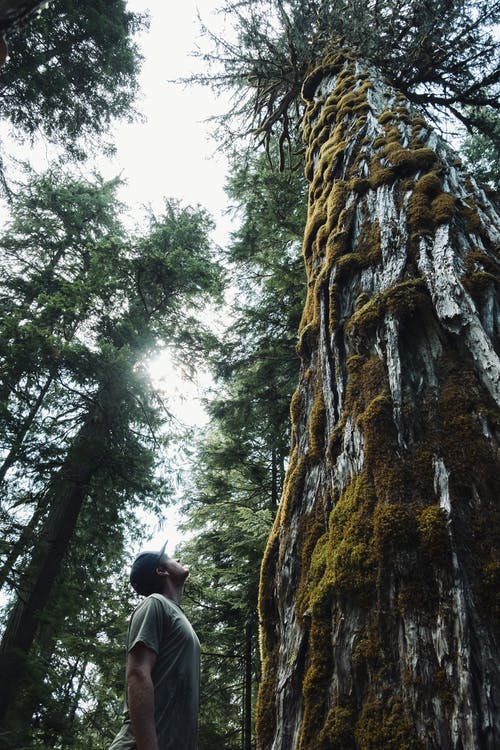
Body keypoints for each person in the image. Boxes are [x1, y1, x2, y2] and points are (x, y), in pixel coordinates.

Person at [109, 542, 200, 750]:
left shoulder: (177, 615)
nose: (176, 559)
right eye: (169, 558)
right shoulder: (155, 604)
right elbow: (138, 674)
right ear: (161, 570)